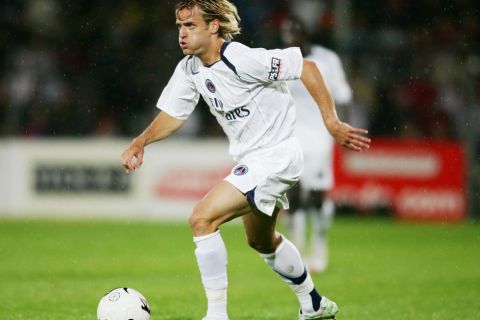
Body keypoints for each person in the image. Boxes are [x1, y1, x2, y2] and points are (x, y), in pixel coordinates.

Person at [121, 1, 370, 319]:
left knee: (202, 219)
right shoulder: (190, 69)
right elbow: (174, 113)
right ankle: (314, 303)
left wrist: (332, 122)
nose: (182, 34)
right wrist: (141, 141)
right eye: (179, 27)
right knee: (262, 242)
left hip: (277, 154)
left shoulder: (240, 59)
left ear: (213, 27)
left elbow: (306, 67)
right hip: (255, 159)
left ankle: (216, 315)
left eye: (190, 26)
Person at [280, 16, 354, 274]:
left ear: (305, 32)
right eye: (285, 32)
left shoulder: (328, 60)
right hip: (291, 133)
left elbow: (344, 96)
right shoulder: (280, 60)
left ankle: (319, 244)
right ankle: (298, 251)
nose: (289, 36)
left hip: (321, 131)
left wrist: (344, 130)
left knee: (317, 193)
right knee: (295, 192)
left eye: (293, 30)